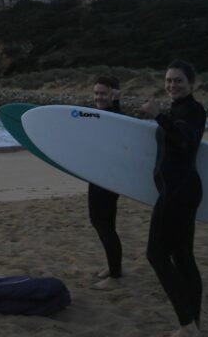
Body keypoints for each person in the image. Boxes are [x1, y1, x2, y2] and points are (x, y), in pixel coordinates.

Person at [140, 60, 205, 337]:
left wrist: (158, 116)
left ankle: (187, 325)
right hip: (180, 191)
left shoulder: (194, 110)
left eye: (178, 80)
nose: (172, 85)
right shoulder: (178, 109)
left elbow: (185, 141)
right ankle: (194, 325)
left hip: (178, 193)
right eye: (168, 80)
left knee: (155, 254)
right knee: (182, 257)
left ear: (191, 83)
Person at [88, 76, 123, 290]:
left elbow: (117, 124)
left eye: (103, 93)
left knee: (104, 224)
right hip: (98, 174)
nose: (99, 97)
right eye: (96, 93)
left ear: (113, 94)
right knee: (100, 222)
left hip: (109, 178)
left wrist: (118, 103)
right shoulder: (99, 114)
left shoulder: (115, 115)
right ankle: (114, 267)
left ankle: (115, 275)